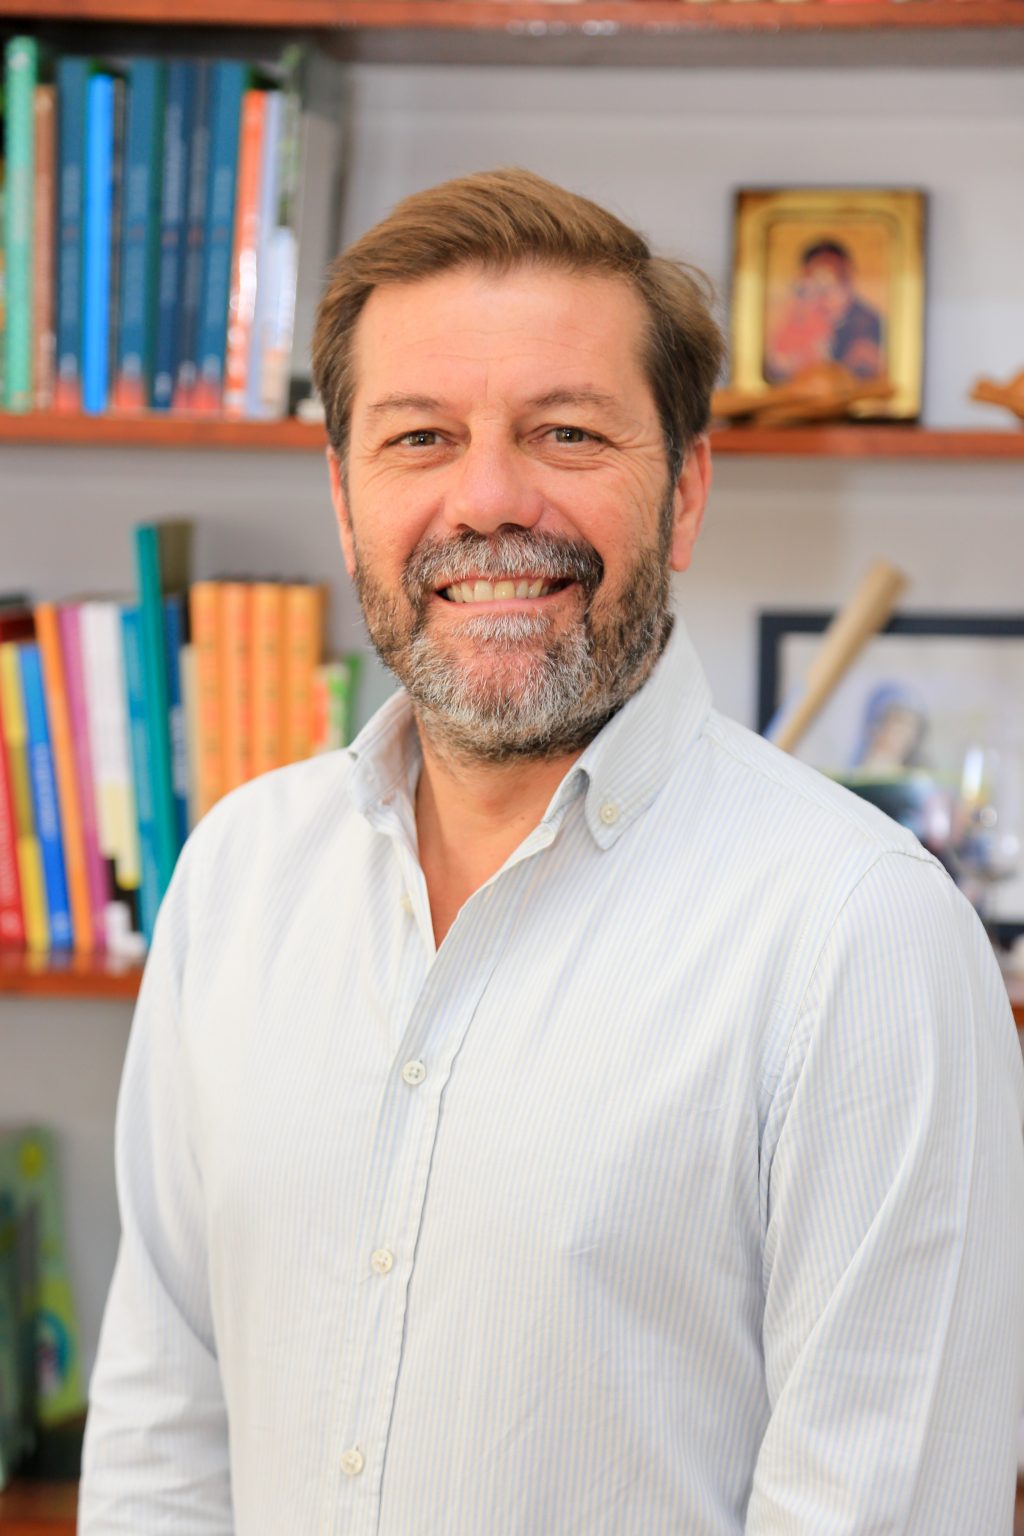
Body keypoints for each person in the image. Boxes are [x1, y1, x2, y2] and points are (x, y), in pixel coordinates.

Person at [79, 169, 1024, 1534]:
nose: (486, 499)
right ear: (344, 499)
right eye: (418, 438)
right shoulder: (238, 877)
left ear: (684, 492)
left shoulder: (863, 937)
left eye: (566, 432)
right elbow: (161, 1448)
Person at [766, 237, 884, 382]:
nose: (824, 295)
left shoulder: (867, 323)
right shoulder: (798, 316)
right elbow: (776, 367)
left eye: (834, 283)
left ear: (848, 282)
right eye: (816, 284)